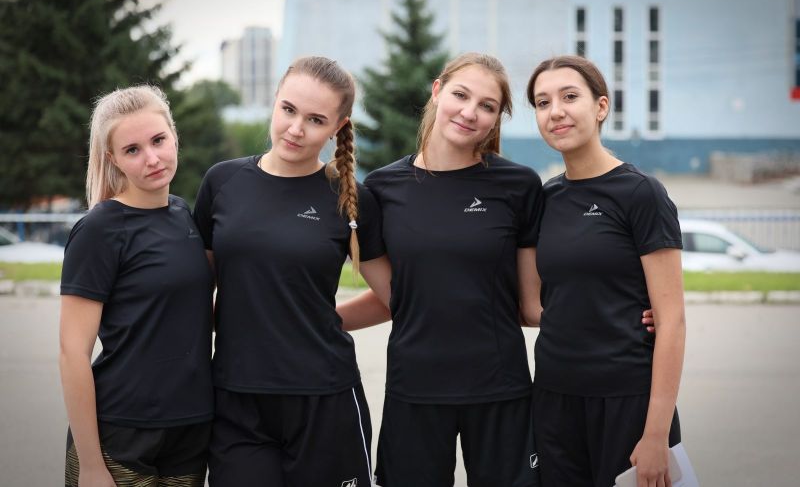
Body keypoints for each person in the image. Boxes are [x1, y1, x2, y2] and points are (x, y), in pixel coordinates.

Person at [338, 52, 545, 487]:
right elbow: (399, 297)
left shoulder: (519, 186)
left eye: (487, 106)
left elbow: (533, 306)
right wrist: (314, 321)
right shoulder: (382, 189)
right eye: (461, 95)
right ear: (437, 91)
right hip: (414, 389)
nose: (470, 112)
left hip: (500, 389)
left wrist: (619, 313)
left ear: (496, 119)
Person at [193, 56, 391, 487]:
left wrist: (320, 320)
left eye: (315, 119)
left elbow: (393, 299)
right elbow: (194, 292)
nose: (296, 128)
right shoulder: (222, 183)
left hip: (325, 398)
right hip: (237, 402)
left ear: (338, 127)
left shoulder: (350, 198)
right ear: (275, 101)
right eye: (288, 110)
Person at [526, 55, 685, 487]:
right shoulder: (546, 198)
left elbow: (671, 321)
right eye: (542, 102)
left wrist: (656, 434)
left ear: (600, 107)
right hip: (555, 399)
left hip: (627, 401)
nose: (555, 111)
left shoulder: (641, 194)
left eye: (569, 97)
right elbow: (537, 303)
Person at [59, 85, 214, 486]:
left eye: (158, 140)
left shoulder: (184, 215)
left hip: (190, 432)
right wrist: (91, 465)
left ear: (174, 136)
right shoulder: (99, 230)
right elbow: (72, 353)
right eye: (132, 150)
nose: (152, 158)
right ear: (113, 158)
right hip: (120, 435)